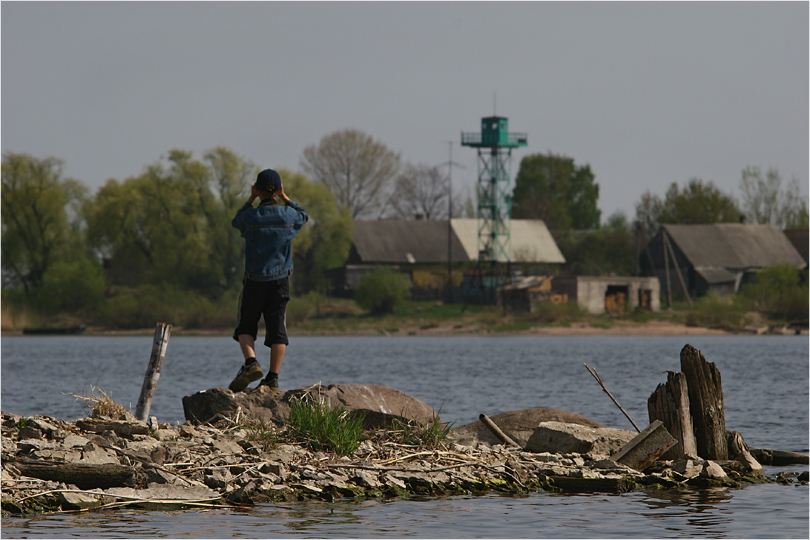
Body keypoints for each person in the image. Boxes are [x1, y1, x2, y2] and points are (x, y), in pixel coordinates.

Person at [229, 169, 308, 393]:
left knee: (246, 324)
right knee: (277, 328)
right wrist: (287, 199)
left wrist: (250, 199)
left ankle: (251, 363)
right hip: (280, 281)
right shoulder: (288, 216)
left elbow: (236, 222)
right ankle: (272, 378)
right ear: (279, 190)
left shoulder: (250, 217)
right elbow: (304, 215)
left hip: (254, 280)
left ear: (257, 190)